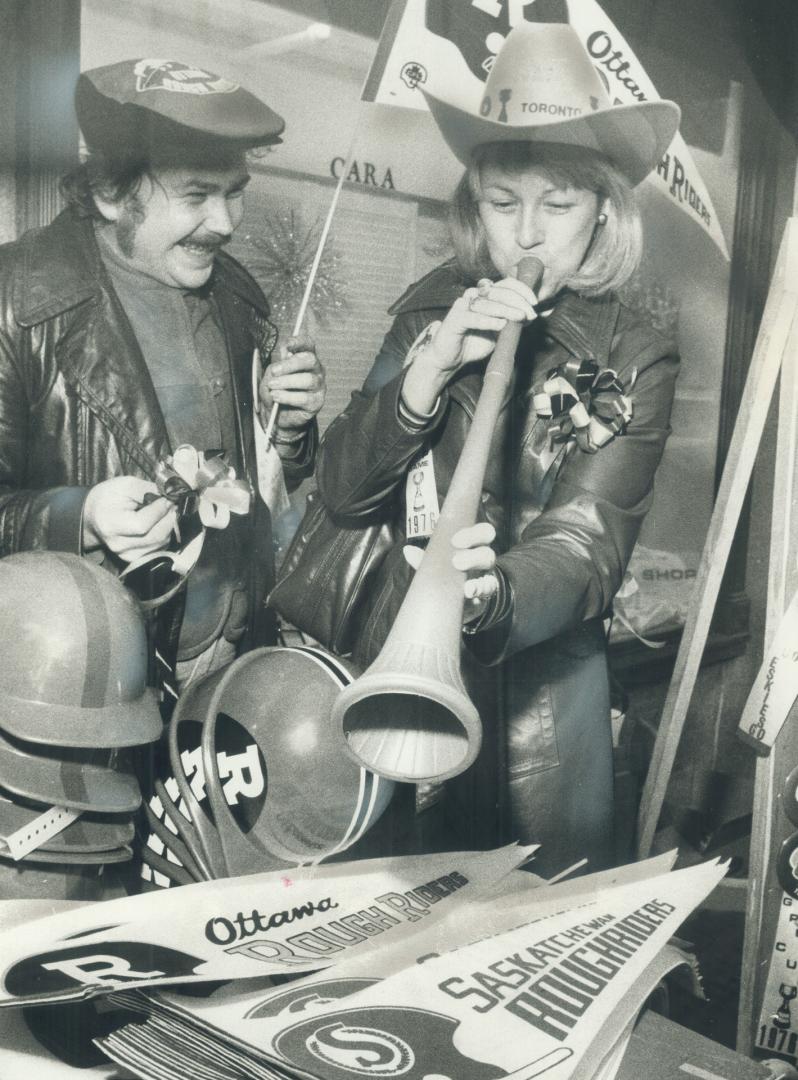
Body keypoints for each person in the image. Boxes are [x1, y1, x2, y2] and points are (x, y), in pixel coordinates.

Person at [310, 21, 681, 875]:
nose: (526, 237)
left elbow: (588, 541)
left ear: (602, 212)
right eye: (504, 204)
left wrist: (491, 593)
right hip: (394, 682)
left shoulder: (636, 347)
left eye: (557, 206)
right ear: (473, 203)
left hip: (540, 724)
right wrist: (423, 376)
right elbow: (340, 495)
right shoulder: (429, 308)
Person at [0, 59, 325, 685]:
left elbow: (262, 483)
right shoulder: (16, 301)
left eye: (235, 192)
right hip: (86, 679)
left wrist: (283, 429)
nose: (226, 224)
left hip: (232, 664)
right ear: (109, 192)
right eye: (196, 195)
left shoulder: (238, 296)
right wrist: (81, 516)